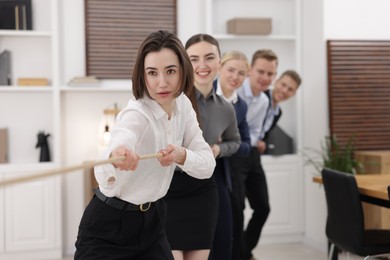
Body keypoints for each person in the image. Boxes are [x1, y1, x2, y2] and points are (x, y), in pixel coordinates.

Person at [74, 30, 216, 260]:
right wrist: (118, 154)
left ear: (183, 71)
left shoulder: (183, 105)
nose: (162, 82)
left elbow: (207, 165)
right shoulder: (136, 113)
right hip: (108, 227)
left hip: (152, 222)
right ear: (143, 75)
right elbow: (114, 149)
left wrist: (181, 155)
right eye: (152, 73)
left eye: (170, 71)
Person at [164, 34, 241, 260]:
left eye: (209, 58)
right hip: (169, 189)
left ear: (220, 62)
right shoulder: (171, 101)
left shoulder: (226, 109)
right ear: (185, 63)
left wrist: (217, 151)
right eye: (194, 59)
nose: (202, 65)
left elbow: (235, 141)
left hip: (203, 189)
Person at [236, 49, 278, 260]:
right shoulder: (235, 90)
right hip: (232, 156)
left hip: (251, 155)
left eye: (271, 74)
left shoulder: (263, 101)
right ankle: (240, 254)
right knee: (237, 209)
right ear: (250, 70)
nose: (265, 78)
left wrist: (251, 142)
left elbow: (253, 131)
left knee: (263, 207)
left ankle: (244, 252)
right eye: (261, 71)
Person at [213, 50, 251, 260]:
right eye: (231, 70)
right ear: (219, 68)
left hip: (225, 169)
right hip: (197, 167)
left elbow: (246, 146)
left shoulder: (241, 106)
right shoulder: (202, 93)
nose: (235, 77)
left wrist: (225, 144)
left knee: (227, 230)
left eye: (241, 73)